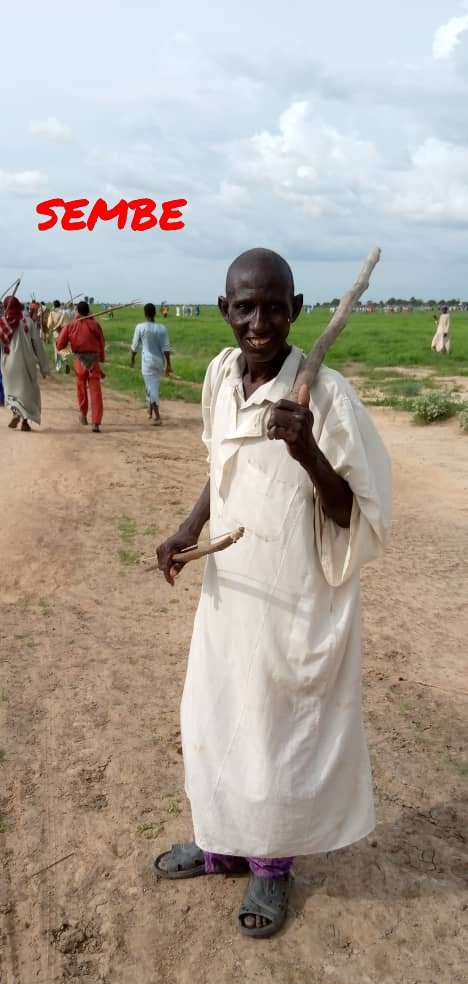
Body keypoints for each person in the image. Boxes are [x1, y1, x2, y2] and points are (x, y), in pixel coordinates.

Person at [154, 248, 392, 939]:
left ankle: (270, 867)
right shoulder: (222, 375)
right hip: (230, 592)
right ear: (225, 308)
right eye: (246, 306)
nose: (260, 321)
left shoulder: (327, 395)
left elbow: (358, 515)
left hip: (294, 598)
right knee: (218, 715)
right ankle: (222, 843)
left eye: (275, 306)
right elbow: (219, 465)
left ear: (297, 307)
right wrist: (185, 530)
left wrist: (309, 451)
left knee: (275, 731)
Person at [0, 295, 50, 430]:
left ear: (5, 307)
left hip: (8, 363)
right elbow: (38, 345)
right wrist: (44, 368)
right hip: (27, 362)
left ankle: (15, 413)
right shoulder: (28, 322)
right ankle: (25, 422)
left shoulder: (2, 323)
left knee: (12, 391)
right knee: (28, 392)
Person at [56, 301, 106, 432]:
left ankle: (83, 416)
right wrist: (101, 359)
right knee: (96, 392)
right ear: (89, 311)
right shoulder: (95, 325)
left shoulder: (71, 325)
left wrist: (62, 333)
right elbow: (102, 343)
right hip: (93, 362)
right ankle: (96, 422)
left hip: (79, 361)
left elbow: (60, 345)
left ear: (77, 311)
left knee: (81, 390)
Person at [130, 303, 172, 425]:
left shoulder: (140, 327)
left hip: (147, 362)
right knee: (152, 386)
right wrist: (168, 365)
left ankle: (158, 417)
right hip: (159, 362)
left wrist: (132, 360)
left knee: (151, 388)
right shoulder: (162, 328)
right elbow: (166, 348)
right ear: (155, 313)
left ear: (145, 313)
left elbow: (134, 346)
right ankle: (150, 411)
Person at [48, 300, 69, 372]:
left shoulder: (51, 313)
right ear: (60, 305)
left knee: (57, 350)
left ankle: (58, 367)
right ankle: (65, 359)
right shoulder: (65, 313)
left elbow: (49, 324)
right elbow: (67, 324)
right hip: (63, 333)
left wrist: (53, 327)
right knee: (63, 348)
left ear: (54, 305)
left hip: (56, 334)